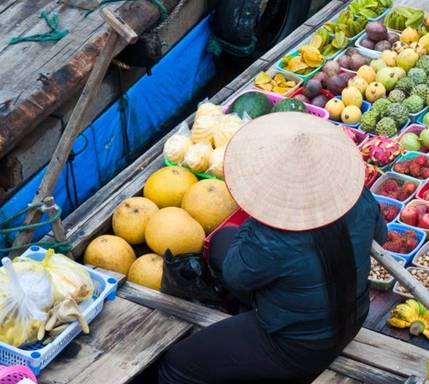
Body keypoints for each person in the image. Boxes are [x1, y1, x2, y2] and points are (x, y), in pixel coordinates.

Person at [159, 112, 387, 384]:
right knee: (222, 242)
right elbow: (380, 236)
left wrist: (258, 217)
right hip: (353, 313)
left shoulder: (273, 235)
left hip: (298, 346)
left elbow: (235, 275)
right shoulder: (358, 196)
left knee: (176, 365)